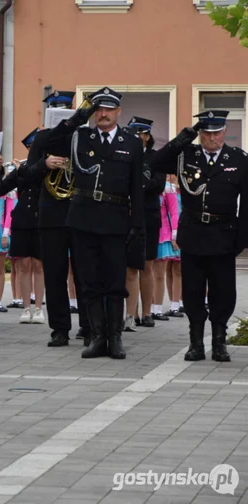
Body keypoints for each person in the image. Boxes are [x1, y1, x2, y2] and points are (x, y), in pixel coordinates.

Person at [48, 87, 144, 360]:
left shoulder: (131, 142)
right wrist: (77, 118)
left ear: (118, 112)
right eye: (98, 109)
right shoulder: (80, 136)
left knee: (115, 281)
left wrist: (137, 223)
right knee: (88, 280)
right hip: (84, 217)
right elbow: (48, 142)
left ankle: (115, 338)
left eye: (108, 109)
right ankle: (96, 336)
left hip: (115, 218)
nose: (103, 114)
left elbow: (137, 186)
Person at [152, 109, 248, 363]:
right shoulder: (187, 156)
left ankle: (219, 342)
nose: (212, 138)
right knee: (192, 291)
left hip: (224, 234)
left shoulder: (238, 159)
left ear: (224, 132)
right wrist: (183, 139)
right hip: (193, 233)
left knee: (223, 292)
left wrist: (242, 237)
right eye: (206, 133)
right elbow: (156, 163)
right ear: (200, 134)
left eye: (216, 133)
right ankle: (195, 342)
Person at [19, 91, 90, 347]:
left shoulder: (83, 136)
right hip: (51, 213)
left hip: (80, 213)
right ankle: (60, 328)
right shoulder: (42, 140)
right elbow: (27, 175)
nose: (61, 111)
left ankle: (88, 325)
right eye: (56, 108)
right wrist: (44, 164)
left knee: (84, 273)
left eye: (65, 107)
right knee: (54, 274)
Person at [124, 117, 166, 332]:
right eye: (131, 134)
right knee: (130, 266)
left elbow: (158, 185)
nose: (134, 138)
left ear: (147, 136)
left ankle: (147, 312)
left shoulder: (155, 157)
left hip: (148, 215)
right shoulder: (125, 155)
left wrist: (138, 183)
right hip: (127, 215)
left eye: (138, 134)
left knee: (147, 265)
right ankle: (130, 314)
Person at [1, 129, 45, 325]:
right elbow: (1, 188)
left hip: (41, 220)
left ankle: (39, 308)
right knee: (24, 265)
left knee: (39, 265)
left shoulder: (48, 167)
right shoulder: (21, 167)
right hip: (22, 219)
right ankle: (26, 307)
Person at [153, 176, 183, 320]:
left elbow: (175, 212)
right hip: (151, 232)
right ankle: (150, 308)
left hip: (167, 234)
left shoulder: (170, 189)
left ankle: (174, 305)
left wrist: (175, 235)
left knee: (171, 272)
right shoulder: (148, 185)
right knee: (152, 273)